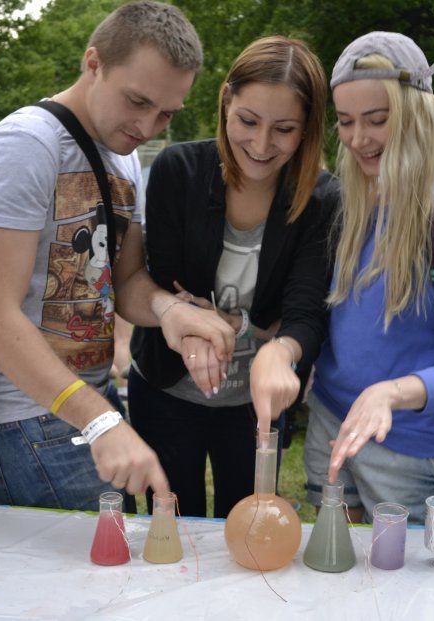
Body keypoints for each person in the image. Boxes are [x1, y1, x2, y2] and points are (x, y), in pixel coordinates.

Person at [0, 1, 234, 512]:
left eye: (166, 114)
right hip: (24, 414)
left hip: (83, 399)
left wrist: (171, 311)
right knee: (100, 581)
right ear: (94, 63)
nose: (148, 125)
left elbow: (124, 280)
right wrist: (100, 418)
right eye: (137, 101)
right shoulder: (25, 146)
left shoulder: (122, 155)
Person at [127, 35, 338, 518]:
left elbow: (305, 315)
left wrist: (276, 346)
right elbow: (160, 284)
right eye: (247, 121)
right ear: (226, 103)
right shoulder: (177, 171)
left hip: (254, 407)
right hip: (164, 386)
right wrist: (191, 322)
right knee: (171, 524)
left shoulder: (323, 200)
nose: (261, 146)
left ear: (307, 130)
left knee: (243, 529)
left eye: (284, 129)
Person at [304, 31, 434, 524]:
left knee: (395, 593)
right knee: (333, 576)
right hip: (330, 420)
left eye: (377, 120)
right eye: (346, 122)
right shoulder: (352, 195)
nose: (357, 139)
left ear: (416, 116)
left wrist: (390, 392)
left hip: (408, 448)